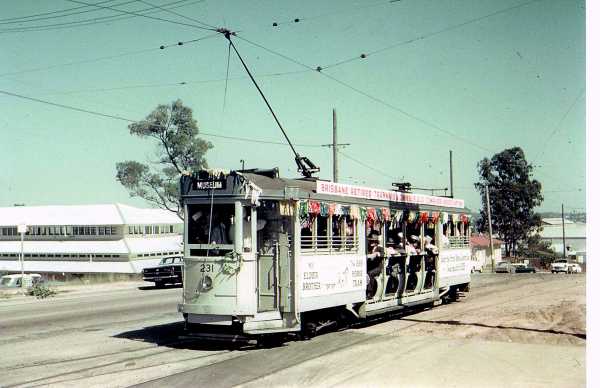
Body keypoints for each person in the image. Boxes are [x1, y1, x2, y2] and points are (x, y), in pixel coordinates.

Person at [366, 233, 384, 298]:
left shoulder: (379, 248)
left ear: (376, 242)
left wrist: (377, 254)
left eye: (373, 241)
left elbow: (383, 253)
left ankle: (370, 292)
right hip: (370, 267)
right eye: (370, 241)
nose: (371, 242)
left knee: (370, 273)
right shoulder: (369, 248)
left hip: (378, 267)